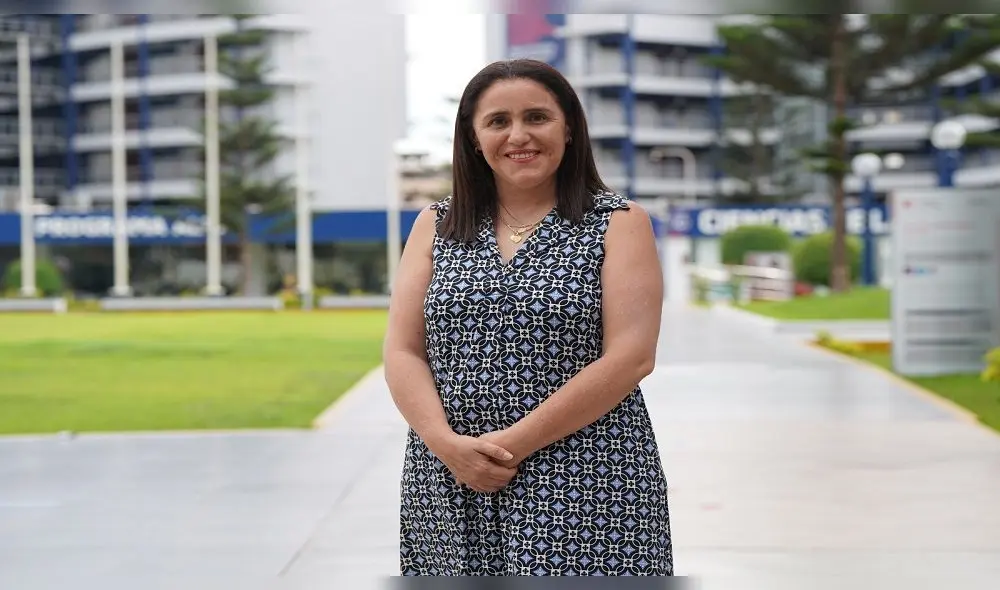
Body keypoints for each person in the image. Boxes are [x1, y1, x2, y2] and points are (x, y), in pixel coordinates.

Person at [383, 58, 672, 576]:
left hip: (588, 478)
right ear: (474, 139)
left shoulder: (619, 222)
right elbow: (403, 350)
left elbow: (632, 357)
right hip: (449, 478)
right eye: (498, 121)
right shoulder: (436, 224)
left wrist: (505, 449)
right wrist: (446, 446)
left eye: (537, 117)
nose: (519, 136)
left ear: (568, 128)